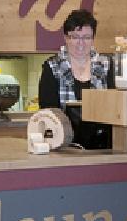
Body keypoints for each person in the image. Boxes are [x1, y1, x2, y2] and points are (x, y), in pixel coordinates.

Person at [37, 9, 115, 149]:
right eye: (75, 37)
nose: (81, 43)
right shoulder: (52, 67)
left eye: (86, 37)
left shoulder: (106, 65)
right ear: (66, 38)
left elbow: (114, 107)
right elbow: (48, 113)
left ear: (93, 38)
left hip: (102, 146)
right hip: (64, 146)